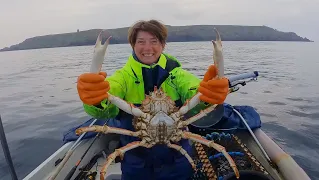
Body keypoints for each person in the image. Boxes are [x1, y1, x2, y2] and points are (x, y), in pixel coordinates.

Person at [76, 19, 229, 180]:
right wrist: (95, 98)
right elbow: (108, 95)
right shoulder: (123, 77)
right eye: (141, 42)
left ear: (163, 45)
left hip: (176, 162)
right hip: (136, 161)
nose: (147, 48)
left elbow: (194, 89)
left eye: (154, 41)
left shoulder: (176, 74)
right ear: (133, 45)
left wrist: (209, 94)